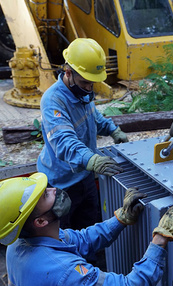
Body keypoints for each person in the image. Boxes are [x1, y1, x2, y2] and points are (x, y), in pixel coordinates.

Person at [0, 173, 173, 286]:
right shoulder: (65, 274)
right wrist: (160, 240)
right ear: (40, 221)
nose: (54, 190)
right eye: (45, 195)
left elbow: (82, 239)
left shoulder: (18, 243)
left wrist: (120, 219)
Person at [37, 38, 129, 230]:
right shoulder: (54, 100)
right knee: (65, 235)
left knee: (88, 225)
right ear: (68, 73)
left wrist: (113, 130)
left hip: (84, 175)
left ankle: (88, 259)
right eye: (85, 82)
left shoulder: (82, 93)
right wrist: (93, 160)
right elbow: (64, 142)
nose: (89, 88)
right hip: (61, 183)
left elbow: (93, 118)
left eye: (93, 83)